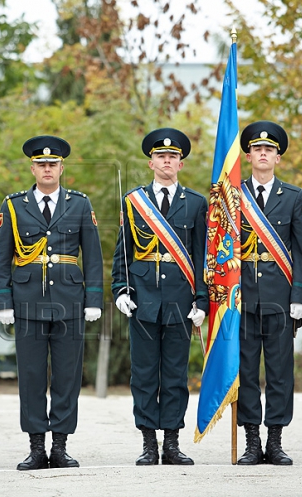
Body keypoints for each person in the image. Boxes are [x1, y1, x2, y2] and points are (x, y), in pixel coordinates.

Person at [0, 135, 104, 470]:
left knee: (67, 377)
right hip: (27, 301)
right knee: (30, 375)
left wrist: (94, 298)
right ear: (32, 167)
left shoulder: (80, 204)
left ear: (61, 167)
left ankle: (60, 446)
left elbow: (93, 256)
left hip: (69, 301)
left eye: (52, 164)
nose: (46, 168)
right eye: (41, 164)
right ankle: (36, 447)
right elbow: (1, 258)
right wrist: (4, 302)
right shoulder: (13, 205)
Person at [111, 128, 208, 466]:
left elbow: (201, 255)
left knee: (175, 375)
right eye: (161, 156)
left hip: (181, 301)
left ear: (180, 164)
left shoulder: (196, 203)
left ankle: (171, 442)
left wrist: (202, 299)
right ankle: (149, 444)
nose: (167, 160)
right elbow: (122, 251)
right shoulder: (134, 201)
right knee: (144, 375)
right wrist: (120, 289)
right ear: (151, 162)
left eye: (173, 157)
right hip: (143, 299)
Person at [235, 121, 302, 466]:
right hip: (243, 300)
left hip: (281, 299)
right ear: (248, 155)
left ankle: (276, 440)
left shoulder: (293, 197)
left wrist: (299, 297)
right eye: (257, 149)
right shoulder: (231, 196)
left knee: (280, 373)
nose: (263, 154)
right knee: (247, 371)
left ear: (278, 157)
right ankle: (252, 441)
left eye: (270, 150)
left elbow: (301, 253)